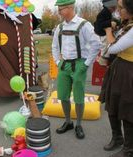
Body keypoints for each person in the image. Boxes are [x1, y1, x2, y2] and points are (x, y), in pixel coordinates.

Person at [52, 0, 101, 139]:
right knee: (62, 95)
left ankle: (78, 124)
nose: (59, 11)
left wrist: (86, 64)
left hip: (79, 63)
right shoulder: (60, 27)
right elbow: (54, 46)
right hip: (64, 64)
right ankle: (68, 122)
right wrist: (57, 61)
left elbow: (96, 44)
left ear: (69, 8)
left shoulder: (84, 25)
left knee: (79, 96)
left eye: (60, 9)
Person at [96, 0, 132, 152]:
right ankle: (117, 138)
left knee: (127, 108)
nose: (118, 10)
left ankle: (129, 148)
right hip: (118, 68)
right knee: (112, 105)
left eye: (121, 8)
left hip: (129, 72)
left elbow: (114, 48)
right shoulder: (126, 25)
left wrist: (108, 31)